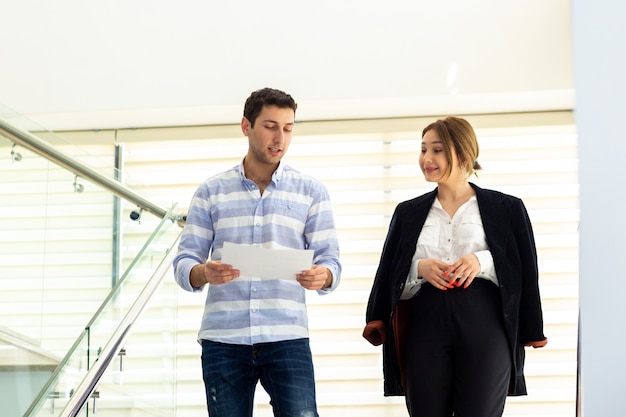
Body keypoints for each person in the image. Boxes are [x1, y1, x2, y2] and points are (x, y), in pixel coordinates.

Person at [362, 116, 547, 417]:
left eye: (437, 150)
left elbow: (523, 269)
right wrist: (419, 268)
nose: (426, 159)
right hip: (425, 327)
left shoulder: (507, 208)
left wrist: (481, 260)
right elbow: (387, 273)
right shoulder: (407, 213)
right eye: (423, 150)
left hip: (485, 326)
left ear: (462, 154)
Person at [173, 87, 341, 417]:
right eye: (270, 126)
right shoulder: (211, 192)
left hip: (287, 335)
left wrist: (323, 276)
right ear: (246, 126)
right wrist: (204, 272)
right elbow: (185, 262)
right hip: (224, 339)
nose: (280, 137)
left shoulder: (311, 191)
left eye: (288, 128)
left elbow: (330, 261)